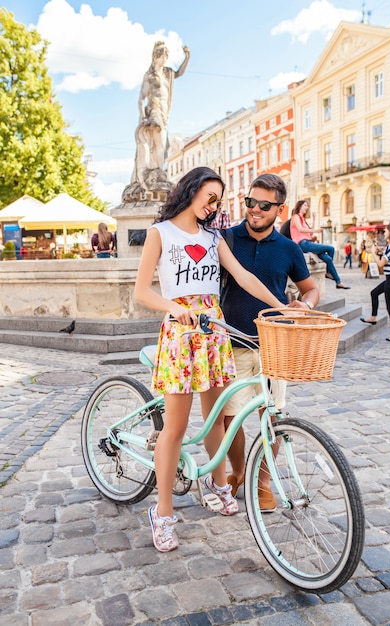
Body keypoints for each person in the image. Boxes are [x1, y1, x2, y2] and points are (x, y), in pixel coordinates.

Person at [134, 167, 285, 552]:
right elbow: (141, 292)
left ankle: (217, 485)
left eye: (219, 200)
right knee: (176, 427)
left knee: (216, 415)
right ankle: (163, 512)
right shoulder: (161, 233)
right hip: (182, 332)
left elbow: (245, 276)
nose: (214, 206)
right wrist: (174, 308)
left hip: (213, 330)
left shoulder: (213, 238)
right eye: (211, 197)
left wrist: (281, 306)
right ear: (192, 191)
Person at [221, 175, 319, 511]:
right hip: (232, 343)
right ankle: (237, 473)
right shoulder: (227, 239)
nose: (255, 210)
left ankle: (263, 483)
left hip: (272, 345)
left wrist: (304, 306)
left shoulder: (289, 249)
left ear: (280, 209)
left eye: (265, 205)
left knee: (273, 418)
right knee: (229, 419)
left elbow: (310, 289)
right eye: (251, 202)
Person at [131, 41, 190, 184]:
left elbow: (179, 72)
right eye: (162, 56)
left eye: (166, 56)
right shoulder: (150, 75)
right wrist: (144, 116)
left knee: (161, 144)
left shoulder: (167, 73)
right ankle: (155, 170)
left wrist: (187, 57)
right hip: (154, 109)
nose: (164, 59)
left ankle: (156, 171)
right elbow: (141, 98)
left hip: (164, 111)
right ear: (155, 57)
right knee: (158, 143)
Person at [290, 200, 350, 289]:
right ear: (299, 206)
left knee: (328, 259)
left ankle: (338, 282)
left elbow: (309, 234)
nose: (307, 207)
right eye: (305, 205)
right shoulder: (295, 217)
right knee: (331, 248)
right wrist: (316, 231)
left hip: (308, 243)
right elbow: (300, 229)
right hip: (302, 244)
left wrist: (314, 219)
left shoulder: (303, 219)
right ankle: (328, 272)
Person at [360, 224, 390, 342]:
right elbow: (389, 256)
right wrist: (381, 250)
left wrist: (373, 252)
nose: (384, 233)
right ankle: (373, 317)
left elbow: (380, 264)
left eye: (385, 231)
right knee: (374, 293)